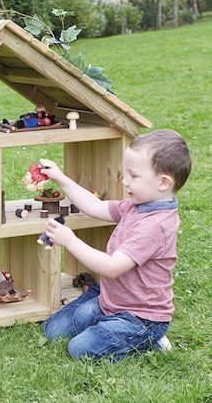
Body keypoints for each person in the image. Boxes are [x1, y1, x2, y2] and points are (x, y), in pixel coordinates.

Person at [42, 129, 191, 361]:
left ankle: (149, 339)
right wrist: (61, 177)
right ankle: (105, 318)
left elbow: (112, 267)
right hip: (112, 298)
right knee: (53, 331)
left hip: (140, 317)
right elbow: (95, 206)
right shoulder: (137, 205)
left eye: (134, 175)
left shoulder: (154, 226)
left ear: (163, 183)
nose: (125, 180)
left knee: (80, 349)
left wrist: (70, 241)